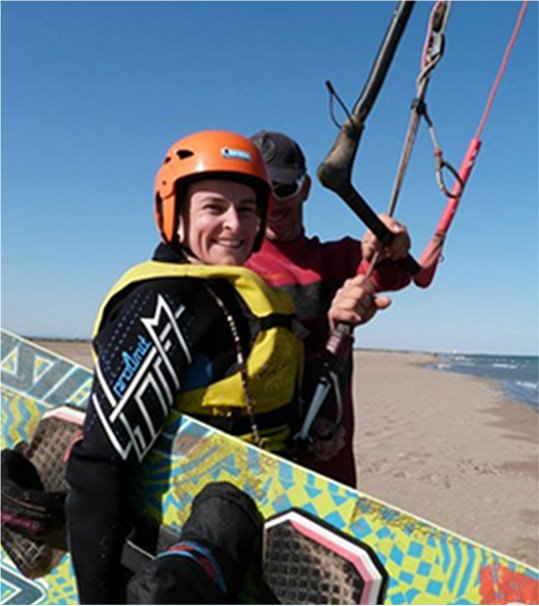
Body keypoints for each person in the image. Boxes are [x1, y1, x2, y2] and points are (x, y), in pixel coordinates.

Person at [65, 130, 307, 604]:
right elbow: (98, 466)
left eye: (248, 209)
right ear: (174, 212)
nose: (235, 225)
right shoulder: (163, 303)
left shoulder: (234, 292)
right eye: (214, 208)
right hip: (177, 550)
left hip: (251, 517)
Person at [246, 130, 412, 488]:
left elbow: (393, 275)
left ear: (306, 187)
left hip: (331, 474)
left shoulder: (338, 259)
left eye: (285, 189)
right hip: (263, 462)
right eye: (261, 190)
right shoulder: (234, 270)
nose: (273, 203)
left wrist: (390, 243)